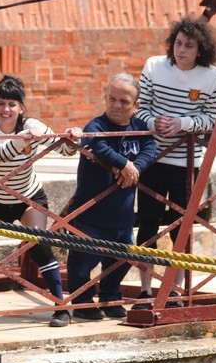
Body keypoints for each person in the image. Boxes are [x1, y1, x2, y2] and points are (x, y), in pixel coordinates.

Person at [0, 75, 82, 327]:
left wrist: (73, 137)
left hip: (29, 198)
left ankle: (61, 308)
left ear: (21, 107)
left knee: (38, 245)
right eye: (1, 103)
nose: (6, 110)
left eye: (12, 104)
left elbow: (65, 150)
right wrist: (21, 139)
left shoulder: (34, 125)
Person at [132, 17, 216, 310]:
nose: (181, 50)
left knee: (180, 227)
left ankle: (175, 289)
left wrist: (182, 123)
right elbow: (140, 108)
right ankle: (145, 291)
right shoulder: (154, 66)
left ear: (200, 49)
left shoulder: (212, 76)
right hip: (153, 158)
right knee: (147, 223)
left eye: (189, 46)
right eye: (178, 43)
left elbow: (211, 118)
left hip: (187, 163)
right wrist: (154, 123)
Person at [66, 73, 156, 320]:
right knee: (82, 263)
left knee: (123, 259)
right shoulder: (96, 126)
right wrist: (123, 164)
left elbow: (151, 148)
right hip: (91, 215)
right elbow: (97, 145)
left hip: (122, 217)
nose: (117, 105)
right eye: (112, 99)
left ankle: (110, 296)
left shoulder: (140, 129)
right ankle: (83, 301)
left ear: (136, 106)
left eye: (124, 102)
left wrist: (134, 168)